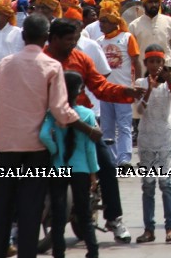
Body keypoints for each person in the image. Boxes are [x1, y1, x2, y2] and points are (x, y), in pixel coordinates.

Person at [0, 15, 99, 258]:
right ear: (46, 37)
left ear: (23, 36)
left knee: (1, 207)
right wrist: (86, 127)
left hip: (7, 146)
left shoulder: (6, 63)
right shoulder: (51, 66)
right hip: (35, 150)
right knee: (31, 207)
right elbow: (59, 109)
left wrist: (5, 120)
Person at [44, 17, 144, 244]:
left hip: (83, 122)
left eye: (76, 39)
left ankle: (114, 218)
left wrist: (126, 91)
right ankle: (19, 223)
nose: (73, 44)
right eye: (69, 40)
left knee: (107, 166)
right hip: (49, 123)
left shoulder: (81, 59)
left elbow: (101, 87)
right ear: (54, 39)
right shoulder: (42, 60)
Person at [40, 70, 101, 258]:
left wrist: (55, 150)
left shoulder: (52, 113)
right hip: (81, 169)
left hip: (59, 167)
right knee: (84, 215)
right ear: (80, 91)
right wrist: (93, 173)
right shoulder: (87, 115)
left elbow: (43, 135)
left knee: (58, 216)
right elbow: (91, 149)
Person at [135, 44, 171, 242]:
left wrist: (170, 83)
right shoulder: (140, 82)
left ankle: (170, 227)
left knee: (166, 183)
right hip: (147, 139)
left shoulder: (170, 83)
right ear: (146, 63)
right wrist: (148, 91)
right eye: (151, 62)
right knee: (147, 185)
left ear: (164, 63)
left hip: (165, 138)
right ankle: (149, 229)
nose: (154, 65)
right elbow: (139, 110)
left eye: (158, 62)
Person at [95, 0, 142, 168]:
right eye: (100, 21)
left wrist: (139, 83)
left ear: (115, 22)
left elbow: (136, 61)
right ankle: (111, 160)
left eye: (105, 22)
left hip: (125, 91)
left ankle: (124, 159)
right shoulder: (99, 42)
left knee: (124, 127)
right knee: (107, 128)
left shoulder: (127, 37)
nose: (101, 25)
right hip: (106, 91)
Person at [127, 0, 171, 70]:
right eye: (150, 2)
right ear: (143, 3)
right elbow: (131, 55)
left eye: (156, 1)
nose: (154, 4)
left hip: (167, 73)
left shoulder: (170, 22)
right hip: (143, 74)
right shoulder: (133, 26)